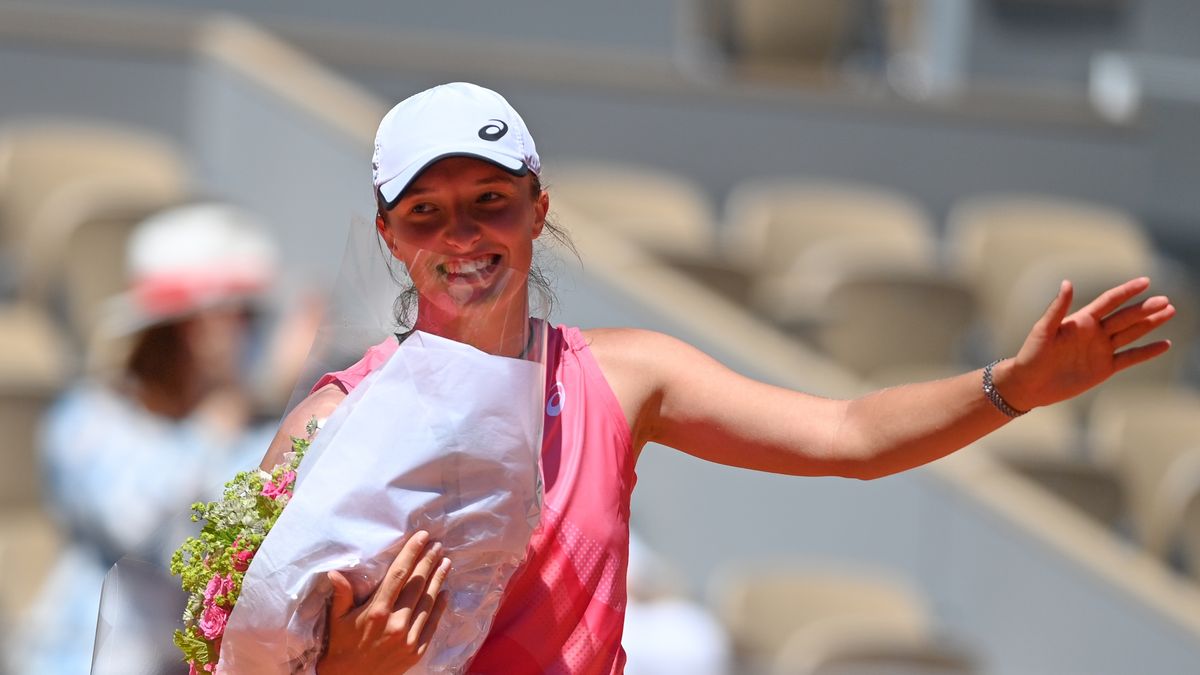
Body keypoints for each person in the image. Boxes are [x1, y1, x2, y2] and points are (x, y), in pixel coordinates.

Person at [257, 82, 1176, 674]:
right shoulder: (332, 421)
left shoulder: (624, 377)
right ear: (389, 235)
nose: (462, 236)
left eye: (490, 201)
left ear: (539, 208)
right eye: (426, 213)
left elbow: (848, 436)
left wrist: (1012, 385)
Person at [12, 203, 282, 675]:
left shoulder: (255, 430)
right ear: (185, 329)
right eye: (235, 316)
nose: (247, 335)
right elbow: (138, 523)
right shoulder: (87, 420)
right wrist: (212, 428)